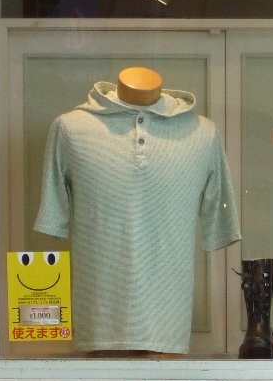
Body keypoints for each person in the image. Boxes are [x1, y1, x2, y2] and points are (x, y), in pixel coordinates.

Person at [35, 67, 241, 355]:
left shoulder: (204, 133)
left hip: (169, 328)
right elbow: (52, 218)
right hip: (97, 325)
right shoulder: (69, 128)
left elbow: (220, 223)